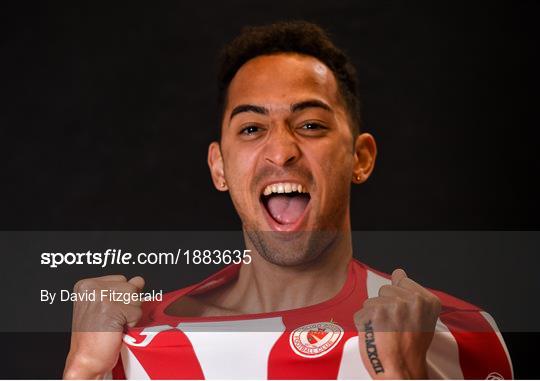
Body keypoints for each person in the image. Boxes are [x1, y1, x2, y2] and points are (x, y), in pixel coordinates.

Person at [63, 21, 513, 380]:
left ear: (361, 157)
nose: (281, 151)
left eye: (311, 125)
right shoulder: (132, 340)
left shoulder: (459, 335)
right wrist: (82, 371)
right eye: (252, 129)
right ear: (219, 167)